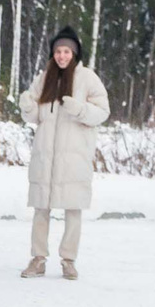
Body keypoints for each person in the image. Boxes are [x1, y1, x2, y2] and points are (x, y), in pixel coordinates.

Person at [21, 27, 110, 281]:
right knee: (41, 209)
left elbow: (102, 112)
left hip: (74, 158)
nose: (62, 56)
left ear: (74, 53)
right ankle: (38, 259)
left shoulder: (88, 78)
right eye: (58, 51)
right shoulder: (44, 78)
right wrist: (27, 107)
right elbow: (36, 115)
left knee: (73, 210)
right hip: (45, 157)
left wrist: (80, 109)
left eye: (66, 51)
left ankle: (69, 260)